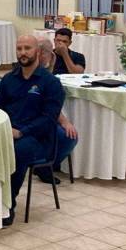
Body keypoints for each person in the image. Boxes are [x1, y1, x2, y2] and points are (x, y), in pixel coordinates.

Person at [0, 34, 66, 226]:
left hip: (39, 139)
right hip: (9, 132)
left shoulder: (50, 83)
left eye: (27, 48)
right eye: (19, 49)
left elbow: (49, 119)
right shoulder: (8, 79)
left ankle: (7, 205)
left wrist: (21, 132)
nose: (23, 53)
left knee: (18, 150)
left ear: (38, 52)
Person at [36, 39, 79, 185]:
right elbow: (46, 104)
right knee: (67, 136)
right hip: (32, 119)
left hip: (43, 116)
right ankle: (44, 165)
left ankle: (44, 163)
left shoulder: (47, 72)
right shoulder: (34, 73)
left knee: (67, 132)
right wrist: (64, 121)